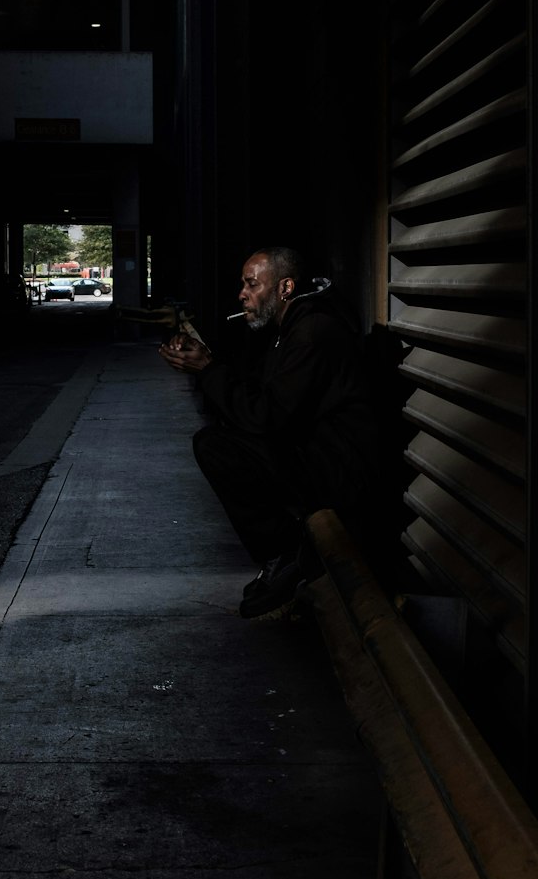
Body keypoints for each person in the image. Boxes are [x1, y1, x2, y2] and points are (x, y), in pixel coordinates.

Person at [158, 247, 384, 619]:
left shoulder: (312, 332)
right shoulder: (292, 328)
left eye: (251, 284)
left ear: (285, 287)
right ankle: (289, 553)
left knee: (215, 447)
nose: (242, 294)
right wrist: (207, 361)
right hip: (321, 452)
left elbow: (267, 417)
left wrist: (209, 369)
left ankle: (287, 552)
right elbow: (263, 397)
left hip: (342, 471)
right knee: (221, 439)